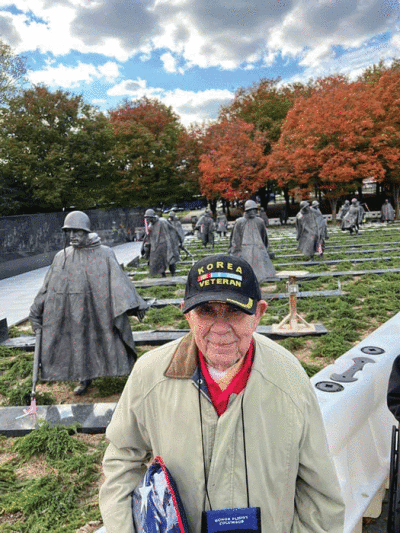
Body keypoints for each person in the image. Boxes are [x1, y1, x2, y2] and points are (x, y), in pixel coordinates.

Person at [99, 254, 345, 533]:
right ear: (187, 314)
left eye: (235, 311)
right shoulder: (150, 375)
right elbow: (122, 460)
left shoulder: (289, 379)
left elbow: (320, 494)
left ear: (258, 314)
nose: (220, 327)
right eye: (206, 311)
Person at [29, 211, 148, 395]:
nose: (72, 236)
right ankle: (84, 379)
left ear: (86, 231)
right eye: (69, 232)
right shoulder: (62, 257)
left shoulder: (104, 253)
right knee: (79, 345)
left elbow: (119, 281)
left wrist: (136, 304)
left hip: (100, 311)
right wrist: (36, 310)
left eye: (77, 232)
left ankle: (127, 376)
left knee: (110, 341)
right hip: (74, 312)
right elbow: (47, 287)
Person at [228, 199, 275, 282]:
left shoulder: (260, 221)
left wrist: (265, 248)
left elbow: (264, 236)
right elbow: (236, 239)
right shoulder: (240, 222)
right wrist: (235, 252)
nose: (253, 212)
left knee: (261, 272)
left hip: (258, 248)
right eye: (251, 210)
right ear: (247, 210)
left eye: (254, 209)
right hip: (245, 249)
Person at [141, 208, 182, 276]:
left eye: (149, 218)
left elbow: (173, 230)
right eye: (147, 218)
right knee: (159, 263)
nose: (148, 220)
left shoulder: (163, 221)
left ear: (153, 217)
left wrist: (179, 241)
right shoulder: (150, 227)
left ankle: (173, 274)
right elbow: (148, 239)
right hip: (157, 248)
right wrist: (145, 249)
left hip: (167, 245)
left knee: (171, 260)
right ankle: (163, 276)